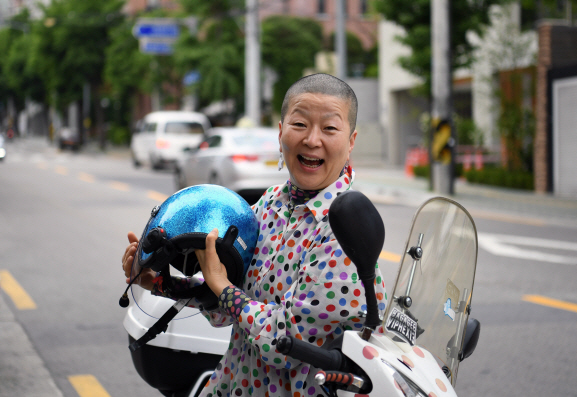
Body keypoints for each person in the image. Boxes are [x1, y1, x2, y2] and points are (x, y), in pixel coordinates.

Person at [122, 73, 388, 397]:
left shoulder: (345, 229)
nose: (312, 139)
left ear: (351, 141)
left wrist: (222, 286)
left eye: (330, 128)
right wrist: (161, 283)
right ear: (281, 133)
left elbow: (284, 343)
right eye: (300, 124)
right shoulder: (270, 205)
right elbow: (226, 307)